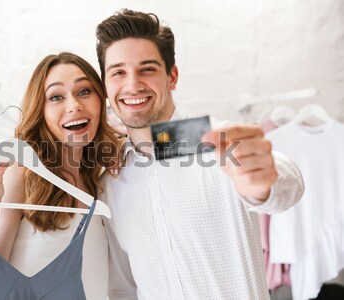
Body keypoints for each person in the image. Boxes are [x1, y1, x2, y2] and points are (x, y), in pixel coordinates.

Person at [95, 9, 305, 299]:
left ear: (172, 77)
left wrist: (264, 184)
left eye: (147, 69)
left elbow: (288, 186)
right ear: (106, 85)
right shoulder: (111, 181)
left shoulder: (219, 140)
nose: (132, 85)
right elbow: (122, 286)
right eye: (118, 72)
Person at [0, 52, 119, 299]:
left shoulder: (99, 181)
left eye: (85, 91)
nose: (74, 105)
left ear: (101, 100)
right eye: (56, 97)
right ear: (41, 110)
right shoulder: (22, 175)